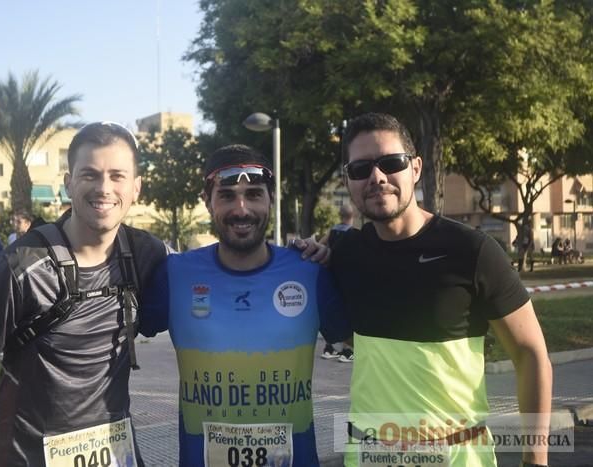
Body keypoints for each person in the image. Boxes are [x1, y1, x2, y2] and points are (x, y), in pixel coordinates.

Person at [331, 113, 552, 466]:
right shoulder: (344, 257)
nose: (377, 177)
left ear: (416, 168)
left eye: (391, 163)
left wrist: (535, 458)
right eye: (361, 169)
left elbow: (530, 354)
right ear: (348, 180)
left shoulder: (472, 251)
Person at [0, 121, 168, 467]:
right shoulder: (21, 265)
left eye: (117, 176)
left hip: (118, 455)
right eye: (89, 175)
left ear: (137, 187)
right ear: (68, 183)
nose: (103, 188)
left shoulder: (147, 254)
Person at [140, 144, 350, 467]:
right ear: (207, 202)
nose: (241, 209)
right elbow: (109, 331)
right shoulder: (175, 274)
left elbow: (366, 337)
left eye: (253, 194)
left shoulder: (310, 271)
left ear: (271, 200)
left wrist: (346, 255)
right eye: (226, 195)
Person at [319, 204, 356, 362]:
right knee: (348, 313)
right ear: (352, 216)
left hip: (331, 273)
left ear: (340, 216)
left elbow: (321, 243)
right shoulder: (352, 233)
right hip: (346, 276)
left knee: (333, 311)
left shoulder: (333, 230)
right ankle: (347, 351)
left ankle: (329, 347)